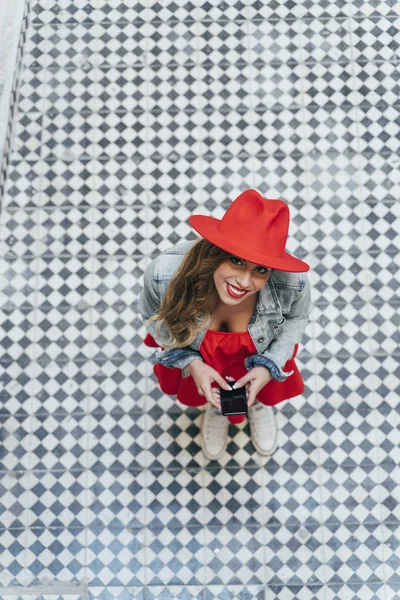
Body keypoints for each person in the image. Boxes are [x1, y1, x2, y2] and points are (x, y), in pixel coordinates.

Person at [137, 189, 312, 461]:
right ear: (215, 249)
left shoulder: (293, 283)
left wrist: (270, 366)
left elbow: (297, 318)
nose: (244, 282)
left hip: (258, 351)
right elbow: (153, 317)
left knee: (257, 387)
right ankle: (217, 407)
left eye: (260, 269)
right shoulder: (163, 274)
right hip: (201, 350)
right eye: (236, 260)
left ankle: (255, 403)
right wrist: (192, 363)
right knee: (213, 390)